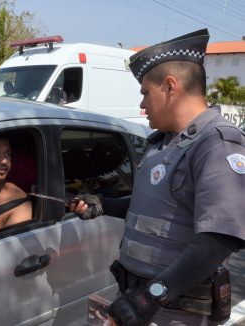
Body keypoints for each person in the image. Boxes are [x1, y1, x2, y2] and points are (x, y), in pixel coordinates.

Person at [71, 28, 245, 326]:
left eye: (144, 93)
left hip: (173, 311)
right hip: (141, 302)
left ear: (170, 86)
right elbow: (158, 208)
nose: (141, 105)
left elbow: (218, 239)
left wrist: (150, 297)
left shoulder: (215, 143)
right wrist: (105, 203)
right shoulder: (164, 144)